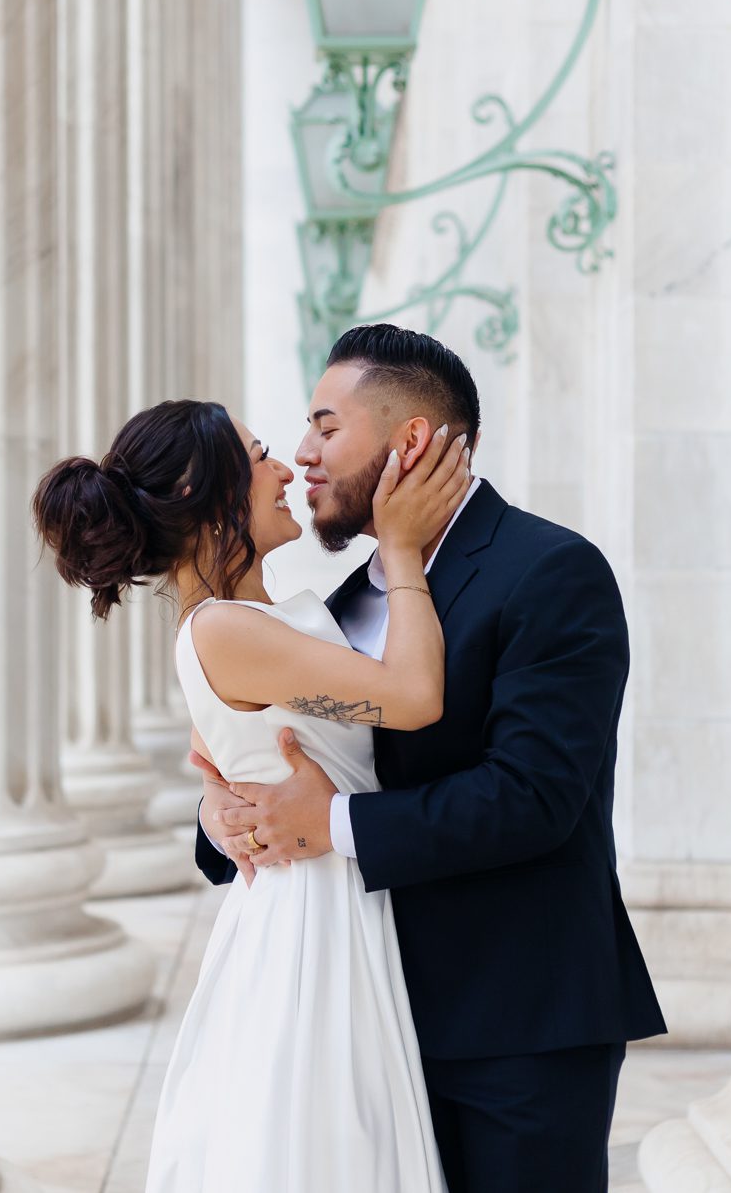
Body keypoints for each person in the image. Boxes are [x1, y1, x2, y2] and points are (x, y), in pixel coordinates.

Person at [196, 323, 667, 1192]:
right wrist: (220, 815)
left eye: (326, 426)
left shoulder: (552, 570)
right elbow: (296, 766)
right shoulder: (336, 598)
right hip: (359, 1015)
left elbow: (533, 796)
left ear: (409, 441)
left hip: (514, 1024)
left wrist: (330, 824)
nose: (302, 454)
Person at [33, 396, 471, 1193]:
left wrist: (215, 804)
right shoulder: (224, 629)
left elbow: (220, 761)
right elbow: (412, 695)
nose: (282, 470)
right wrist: (402, 549)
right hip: (309, 922)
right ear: (209, 497)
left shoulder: (248, 622)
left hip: (328, 895)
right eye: (259, 455)